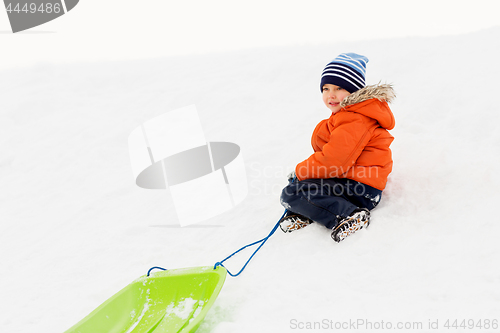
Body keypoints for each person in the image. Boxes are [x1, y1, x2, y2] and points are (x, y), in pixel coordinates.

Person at [279, 53, 396, 242]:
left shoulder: (355, 119)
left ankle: (349, 214)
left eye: (339, 88)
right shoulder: (347, 115)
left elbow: (334, 161)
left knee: (294, 192)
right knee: (302, 188)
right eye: (326, 88)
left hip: (361, 189)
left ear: (354, 91)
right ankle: (309, 212)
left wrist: (302, 171)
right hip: (352, 183)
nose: (330, 94)